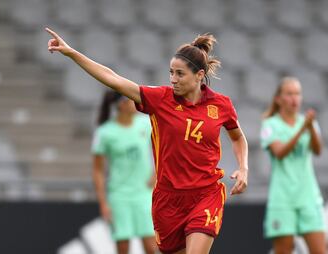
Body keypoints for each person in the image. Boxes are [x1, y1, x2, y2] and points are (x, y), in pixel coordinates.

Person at [46, 27, 248, 254]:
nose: (173, 79)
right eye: (171, 72)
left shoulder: (221, 105)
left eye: (180, 74)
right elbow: (113, 79)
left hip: (205, 194)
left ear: (199, 75)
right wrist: (72, 53)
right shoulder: (160, 99)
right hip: (167, 200)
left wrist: (243, 167)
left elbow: (238, 137)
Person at [260, 77, 326, 254]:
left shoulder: (308, 123)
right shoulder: (270, 125)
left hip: (308, 197)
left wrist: (310, 128)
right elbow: (279, 153)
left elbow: (318, 150)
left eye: (297, 94)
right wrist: (303, 129)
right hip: (283, 199)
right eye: (289, 94)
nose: (294, 98)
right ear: (278, 98)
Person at [91, 91, 157, 254]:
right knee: (122, 247)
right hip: (119, 195)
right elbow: (97, 170)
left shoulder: (145, 124)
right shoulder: (104, 133)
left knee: (151, 246)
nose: (136, 104)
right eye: (131, 101)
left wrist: (157, 173)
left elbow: (165, 149)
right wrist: (103, 203)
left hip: (144, 194)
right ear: (121, 105)